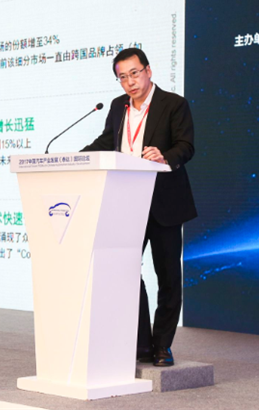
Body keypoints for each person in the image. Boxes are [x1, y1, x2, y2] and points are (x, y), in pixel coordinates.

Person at [82, 48, 197, 366]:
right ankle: (141, 343)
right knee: (125, 271)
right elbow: (108, 142)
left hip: (164, 202)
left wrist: (165, 157)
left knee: (168, 276)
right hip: (126, 201)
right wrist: (77, 157)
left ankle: (163, 345)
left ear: (148, 70)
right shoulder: (118, 106)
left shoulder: (173, 104)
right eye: (122, 77)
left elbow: (186, 146)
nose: (130, 82)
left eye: (134, 73)